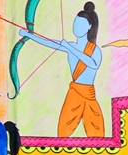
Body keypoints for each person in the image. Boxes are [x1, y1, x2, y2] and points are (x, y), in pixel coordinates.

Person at [19, 2, 105, 137]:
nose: (76, 26)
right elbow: (48, 42)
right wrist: (29, 35)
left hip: (89, 95)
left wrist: (69, 48)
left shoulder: (95, 50)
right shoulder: (70, 45)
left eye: (81, 24)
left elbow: (93, 64)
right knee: (63, 132)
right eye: (75, 23)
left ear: (89, 26)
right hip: (74, 94)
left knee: (97, 134)